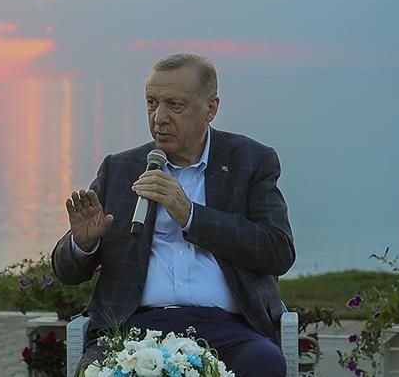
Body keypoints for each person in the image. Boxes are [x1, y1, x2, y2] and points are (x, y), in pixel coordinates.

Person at [51, 53, 295, 376]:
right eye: (152, 103)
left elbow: (278, 251)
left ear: (210, 108)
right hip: (133, 328)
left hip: (230, 329)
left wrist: (192, 216)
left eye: (174, 105)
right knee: (96, 371)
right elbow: (66, 272)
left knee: (264, 363)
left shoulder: (250, 161)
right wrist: (83, 244)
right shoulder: (120, 169)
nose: (159, 118)